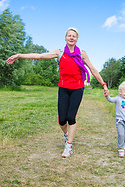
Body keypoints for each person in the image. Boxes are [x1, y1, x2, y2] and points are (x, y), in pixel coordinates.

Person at [6, 27, 109, 158]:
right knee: (61, 120)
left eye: (74, 36)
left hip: (77, 88)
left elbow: (93, 69)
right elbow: (39, 56)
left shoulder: (82, 54)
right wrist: (20, 55)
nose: (71, 37)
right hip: (64, 88)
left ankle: (69, 146)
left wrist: (104, 84)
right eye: (69, 35)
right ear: (65, 38)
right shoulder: (59, 53)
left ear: (77, 39)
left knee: (71, 117)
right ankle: (67, 136)